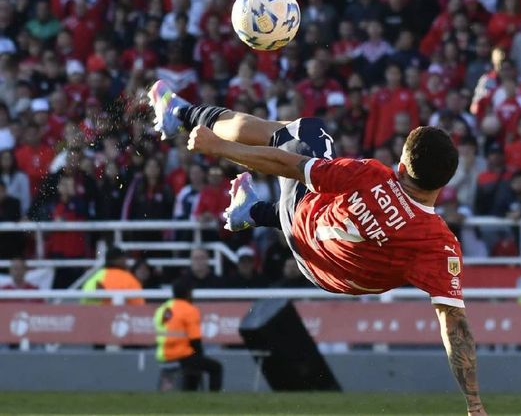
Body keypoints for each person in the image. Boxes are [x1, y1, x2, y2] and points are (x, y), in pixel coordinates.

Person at [148, 80, 486, 415]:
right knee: (302, 157)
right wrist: (473, 404)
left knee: (303, 130)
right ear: (445, 183)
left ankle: (183, 113)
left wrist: (219, 147)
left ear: (401, 165)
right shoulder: (438, 245)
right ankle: (252, 211)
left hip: (303, 224)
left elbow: (287, 165)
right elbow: (455, 326)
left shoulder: (371, 175)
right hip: (331, 275)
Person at [154, 279, 223, 392]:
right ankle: (213, 398)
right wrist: (200, 356)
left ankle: (189, 393)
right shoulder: (190, 310)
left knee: (195, 363)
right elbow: (195, 340)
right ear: (188, 293)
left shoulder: (162, 309)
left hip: (163, 356)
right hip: (181, 356)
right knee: (216, 368)